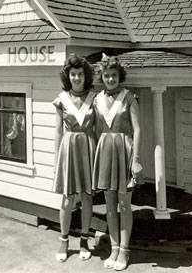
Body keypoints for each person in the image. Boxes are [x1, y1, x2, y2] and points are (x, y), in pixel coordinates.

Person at [92, 54, 142, 271]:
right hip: (105, 152)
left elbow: (138, 129)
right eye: (106, 76)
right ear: (102, 77)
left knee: (124, 204)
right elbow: (94, 130)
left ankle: (124, 250)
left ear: (119, 76)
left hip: (125, 151)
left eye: (113, 75)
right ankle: (113, 248)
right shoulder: (97, 99)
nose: (110, 79)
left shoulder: (129, 97)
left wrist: (136, 159)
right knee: (109, 205)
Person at [52, 55, 96, 262]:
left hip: (88, 148)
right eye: (73, 74)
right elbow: (58, 132)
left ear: (85, 76)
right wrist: (56, 161)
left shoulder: (95, 98)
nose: (76, 78)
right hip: (68, 149)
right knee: (68, 198)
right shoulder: (62, 99)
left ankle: (85, 240)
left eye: (80, 74)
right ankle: (63, 240)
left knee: (87, 197)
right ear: (67, 76)